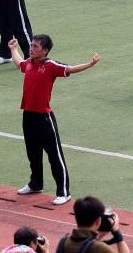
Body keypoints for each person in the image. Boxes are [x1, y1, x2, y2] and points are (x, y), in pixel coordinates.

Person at [8, 34, 100, 206]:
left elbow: (70, 69)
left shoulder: (50, 66)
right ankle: (36, 184)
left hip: (44, 118)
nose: (31, 48)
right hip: (28, 115)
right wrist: (13, 49)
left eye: (35, 46)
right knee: (33, 153)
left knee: (54, 155)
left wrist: (90, 63)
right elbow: (19, 63)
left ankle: (63, 192)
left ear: (45, 50)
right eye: (31, 45)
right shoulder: (29, 63)